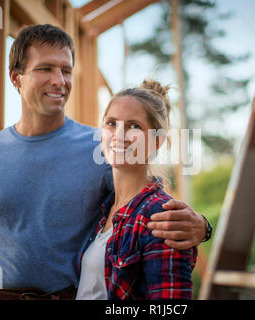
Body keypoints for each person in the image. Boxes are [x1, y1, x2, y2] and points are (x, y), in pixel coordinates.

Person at [0, 24, 211, 300]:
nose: (59, 80)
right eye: (45, 69)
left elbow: (150, 206)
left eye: (66, 70)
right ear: (16, 78)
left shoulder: (102, 147)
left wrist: (202, 226)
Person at [75, 79, 197, 299]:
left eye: (134, 126)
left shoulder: (161, 217)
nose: (119, 135)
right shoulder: (102, 207)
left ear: (157, 141)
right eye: (111, 123)